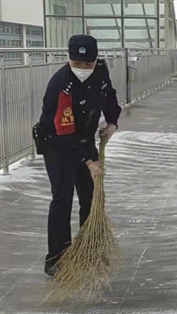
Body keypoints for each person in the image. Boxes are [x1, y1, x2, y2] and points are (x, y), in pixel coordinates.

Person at [36, 34, 121, 276]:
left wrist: (113, 122)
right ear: (68, 59)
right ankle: (56, 258)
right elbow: (66, 131)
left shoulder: (101, 71)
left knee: (91, 197)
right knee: (62, 199)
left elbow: (110, 96)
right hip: (57, 144)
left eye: (87, 64)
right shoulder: (60, 86)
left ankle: (88, 249)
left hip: (84, 138)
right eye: (77, 64)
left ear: (95, 60)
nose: (82, 69)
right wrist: (90, 162)